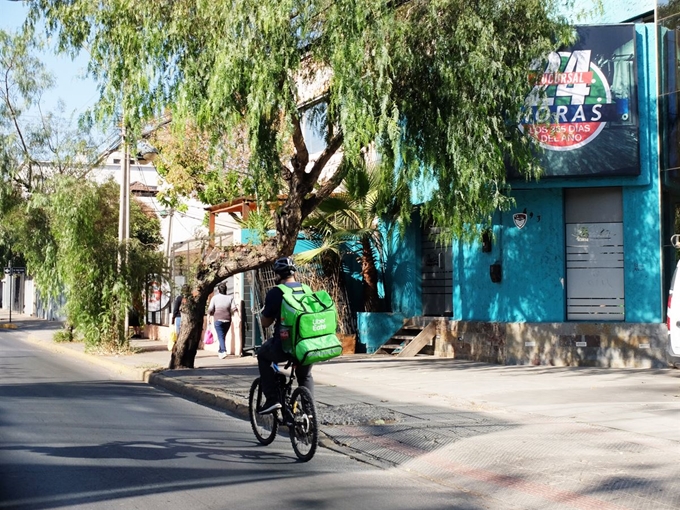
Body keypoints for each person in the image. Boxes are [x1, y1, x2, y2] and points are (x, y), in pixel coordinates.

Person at [256, 256, 314, 414]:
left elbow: (265, 323)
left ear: (277, 275)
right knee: (305, 375)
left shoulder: (276, 292)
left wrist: (264, 315)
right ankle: (309, 414)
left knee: (262, 355)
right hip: (307, 345)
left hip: (284, 346)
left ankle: (272, 399)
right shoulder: (307, 290)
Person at [207, 282, 238, 359]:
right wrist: (238, 318)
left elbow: (210, 309)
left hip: (218, 319)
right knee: (222, 335)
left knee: (220, 336)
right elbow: (234, 309)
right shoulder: (230, 298)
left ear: (218, 290)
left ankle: (223, 350)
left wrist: (208, 318)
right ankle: (220, 352)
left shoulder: (214, 298)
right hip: (227, 319)